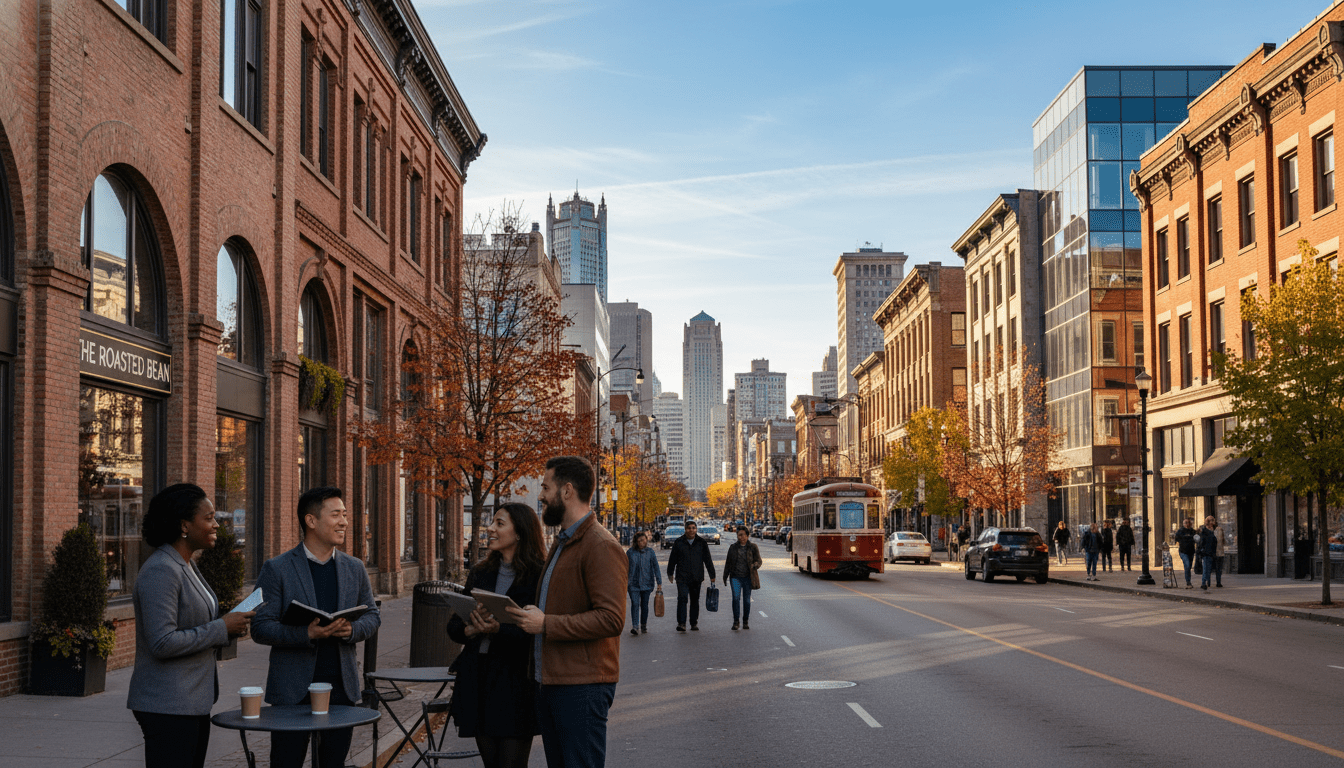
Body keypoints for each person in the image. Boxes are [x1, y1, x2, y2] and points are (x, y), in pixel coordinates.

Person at [506, 456, 626, 768]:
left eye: (546, 487)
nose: (541, 495)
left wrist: (546, 624)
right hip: (556, 682)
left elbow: (611, 619)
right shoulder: (564, 541)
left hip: (582, 686)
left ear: (567, 491)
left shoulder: (600, 545)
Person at [251, 487, 381, 768]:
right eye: (336, 515)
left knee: (333, 763)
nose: (344, 521)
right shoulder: (277, 568)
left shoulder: (355, 568)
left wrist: (352, 631)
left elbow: (372, 615)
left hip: (341, 690)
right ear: (311, 521)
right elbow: (260, 627)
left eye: (345, 515)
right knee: (286, 762)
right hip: (292, 692)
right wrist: (306, 634)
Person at [127, 484, 254, 768]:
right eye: (208, 518)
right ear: (185, 525)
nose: (217, 524)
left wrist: (230, 625)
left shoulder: (186, 564)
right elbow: (161, 642)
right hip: (167, 704)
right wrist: (221, 628)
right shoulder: (162, 569)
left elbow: (195, 623)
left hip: (191, 701)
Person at [447, 503, 546, 768]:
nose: (490, 528)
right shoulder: (481, 572)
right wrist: (470, 628)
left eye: (499, 524)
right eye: (492, 522)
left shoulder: (539, 575)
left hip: (515, 684)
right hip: (479, 679)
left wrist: (498, 628)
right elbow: (454, 627)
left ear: (520, 533)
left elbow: (538, 631)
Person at [666, 520, 716, 632]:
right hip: (682, 577)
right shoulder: (679, 542)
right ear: (685, 529)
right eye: (689, 528)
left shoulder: (701, 543)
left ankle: (693, 623)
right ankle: (682, 623)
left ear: (696, 529)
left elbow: (707, 559)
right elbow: (672, 559)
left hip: (696, 577)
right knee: (682, 598)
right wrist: (670, 573)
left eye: (693, 528)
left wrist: (712, 575)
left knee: (694, 600)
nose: (691, 530)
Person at [722, 526, 762, 631]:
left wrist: (755, 565)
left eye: (743, 535)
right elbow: (728, 563)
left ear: (747, 536)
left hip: (748, 578)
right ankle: (736, 622)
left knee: (746, 600)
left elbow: (759, 560)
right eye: (739, 535)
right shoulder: (733, 547)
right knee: (736, 598)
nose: (741, 537)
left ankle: (745, 621)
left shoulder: (753, 547)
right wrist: (725, 576)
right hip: (735, 577)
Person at [625, 531, 661, 635]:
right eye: (640, 540)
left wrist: (659, 582)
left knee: (644, 605)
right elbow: (625, 567)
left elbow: (656, 567)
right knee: (635, 604)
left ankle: (643, 625)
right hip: (633, 584)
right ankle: (635, 626)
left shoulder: (650, 552)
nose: (642, 542)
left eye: (644, 539)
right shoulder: (630, 552)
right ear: (636, 542)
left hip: (647, 583)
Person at [1198, 516, 1225, 590]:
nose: (1212, 522)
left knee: (1218, 569)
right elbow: (1202, 542)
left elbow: (1222, 540)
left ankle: (1218, 582)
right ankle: (1205, 583)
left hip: (1218, 552)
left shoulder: (1218, 529)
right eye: (1211, 520)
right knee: (1207, 568)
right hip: (1208, 552)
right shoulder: (1204, 531)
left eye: (1213, 520)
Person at [1173, 518, 1198, 589]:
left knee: (1189, 567)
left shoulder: (1193, 531)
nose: (1187, 524)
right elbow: (1176, 538)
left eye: (1188, 522)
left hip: (1191, 551)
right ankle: (1188, 582)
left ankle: (1188, 580)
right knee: (1187, 565)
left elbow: (1196, 539)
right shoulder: (1180, 531)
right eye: (1185, 523)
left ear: (1190, 524)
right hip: (1183, 552)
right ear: (1183, 524)